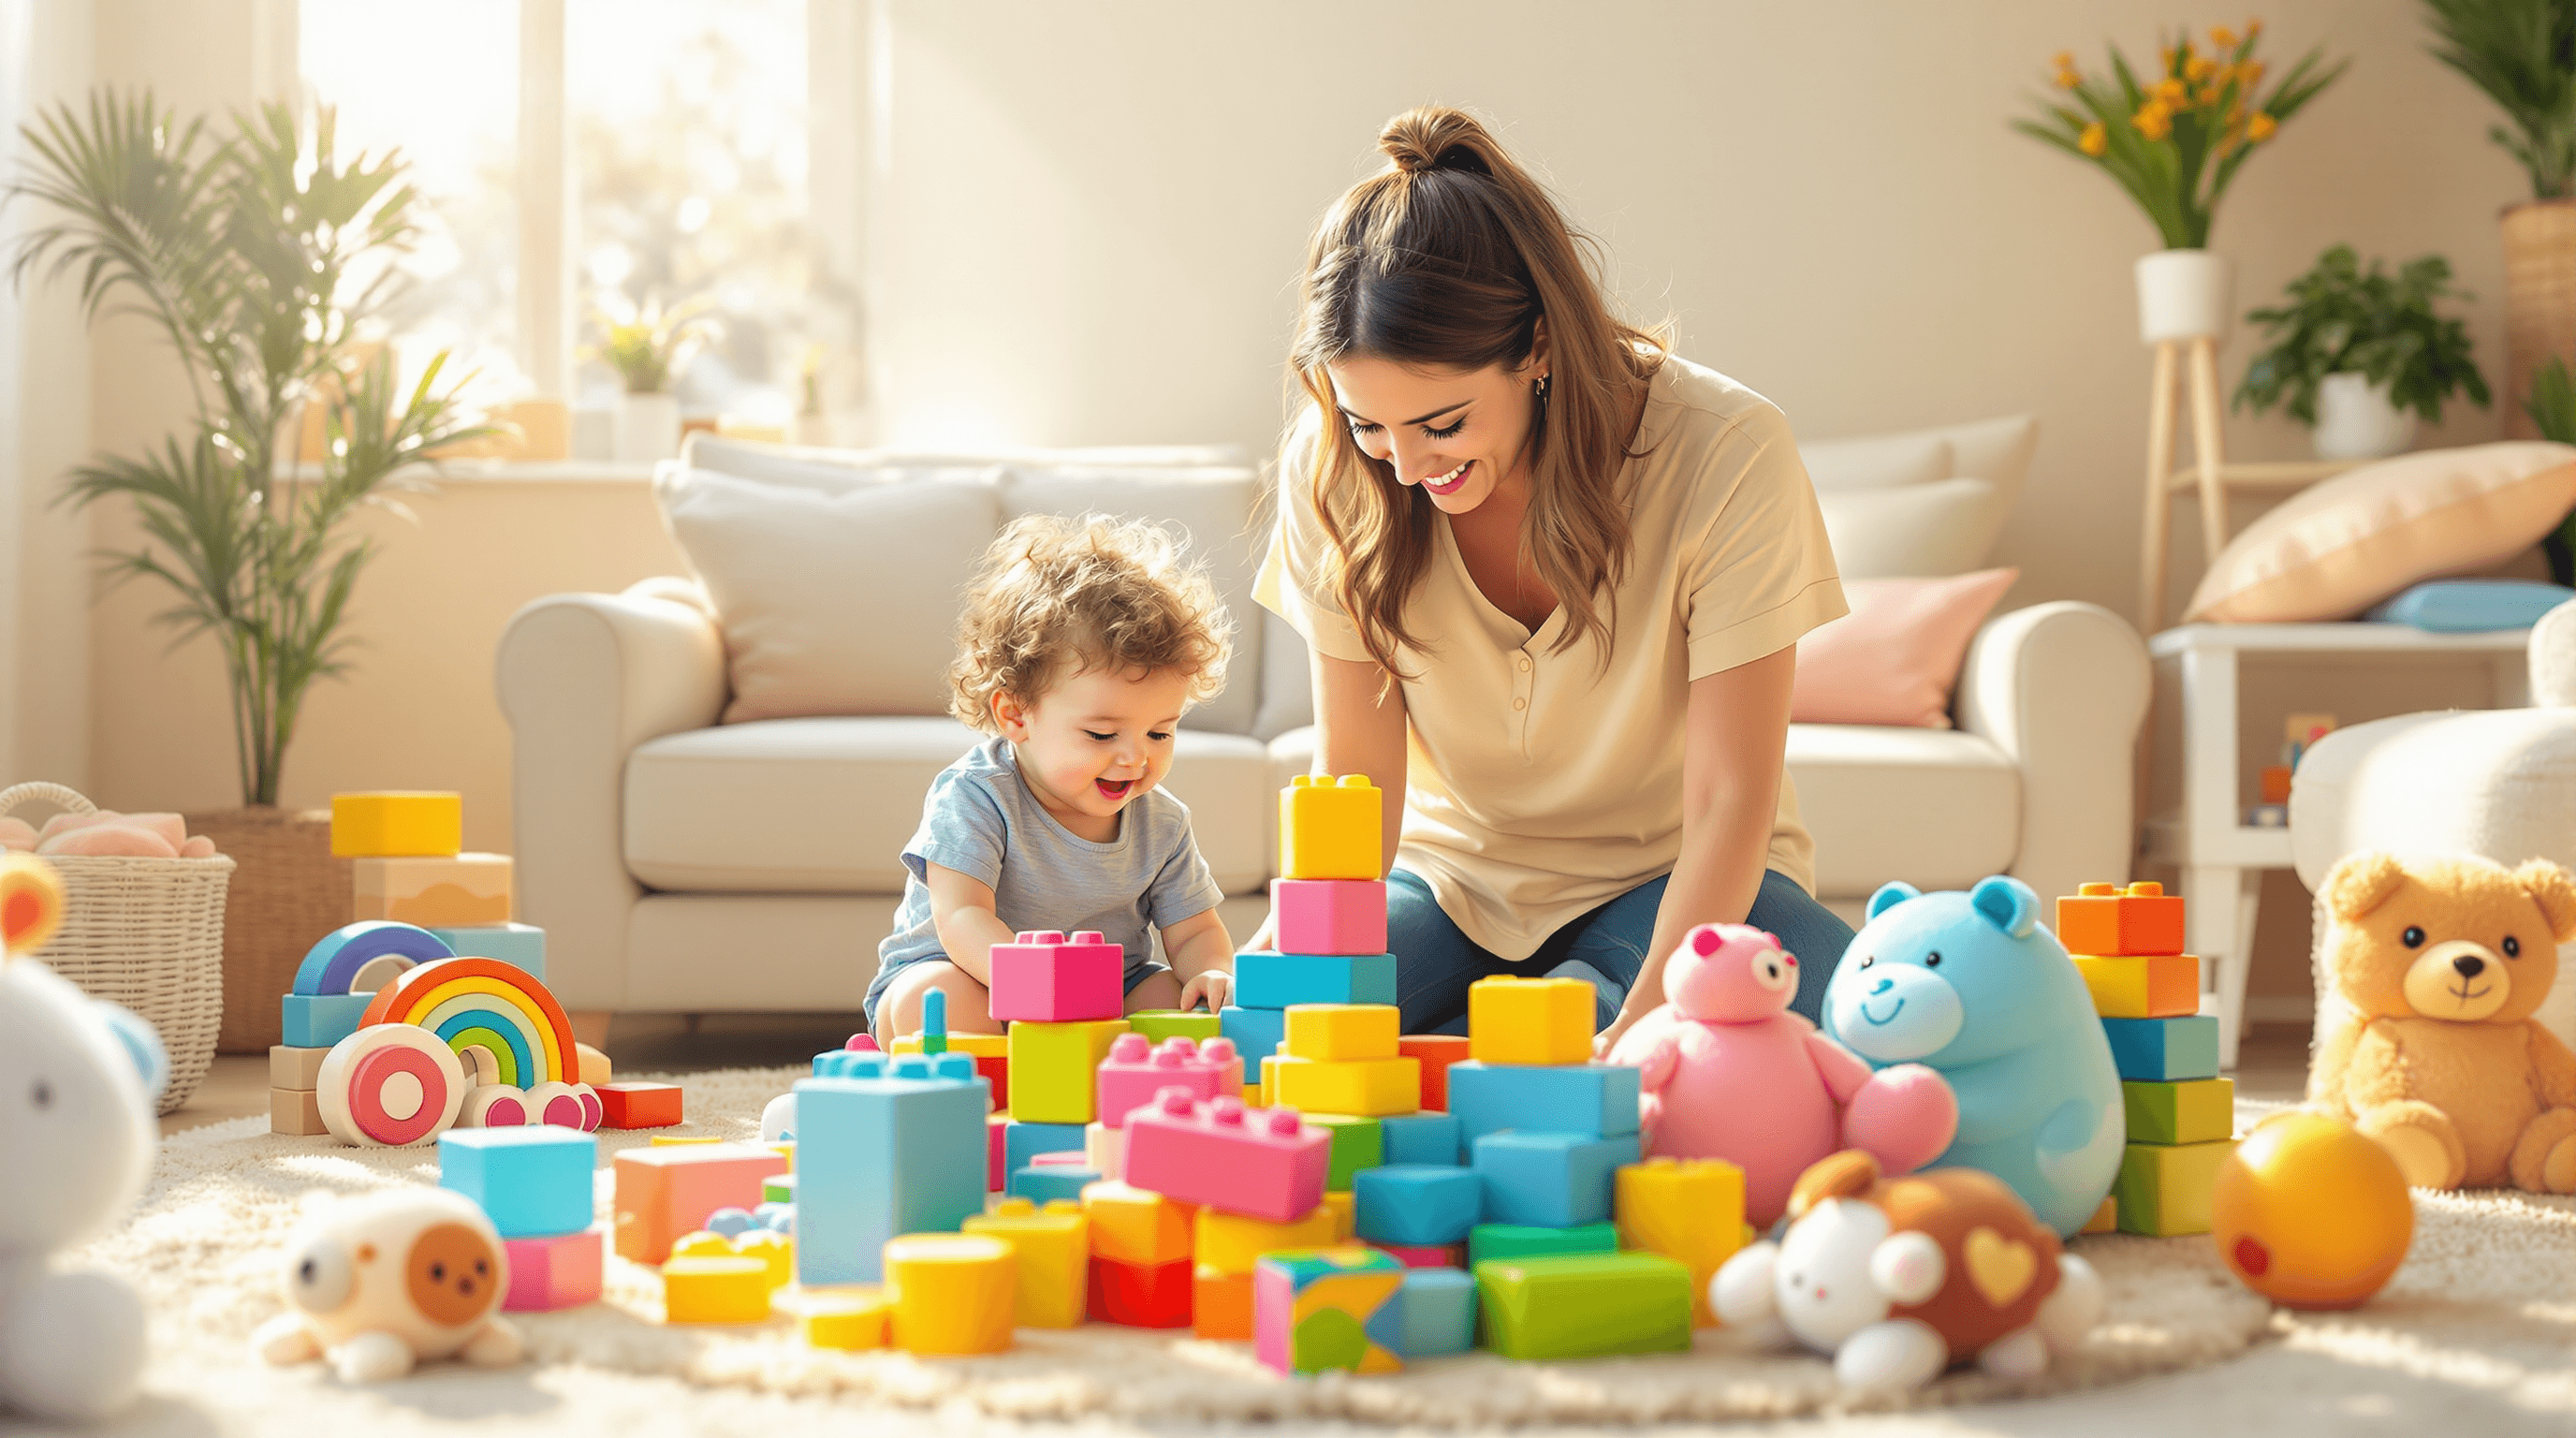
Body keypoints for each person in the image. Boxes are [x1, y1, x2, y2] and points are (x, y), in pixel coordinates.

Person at [1252, 106, 1856, 1054]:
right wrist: (1295, 959)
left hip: (1677, 871)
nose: (1405, 467)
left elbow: (1729, 799)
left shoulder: (1727, 450)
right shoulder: (1335, 468)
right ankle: (1508, 1027)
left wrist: (1656, 1011)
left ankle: (1539, 1019)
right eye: (1372, 425)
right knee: (1282, 1039)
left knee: (1799, 1022)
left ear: (1536, 348)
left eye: (1443, 424)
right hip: (1454, 879)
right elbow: (1358, 778)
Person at [868, 513, 1238, 1043]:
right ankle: (989, 1098)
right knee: (936, 999)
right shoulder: (976, 796)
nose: (1135, 760)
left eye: (1160, 734)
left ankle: (1110, 1094)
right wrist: (1037, 987)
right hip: (980, 984)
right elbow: (962, 919)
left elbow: (1196, 930)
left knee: (1183, 1009)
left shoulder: (1163, 821)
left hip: (1106, 998)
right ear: (1016, 716)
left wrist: (1210, 970)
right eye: (1101, 735)